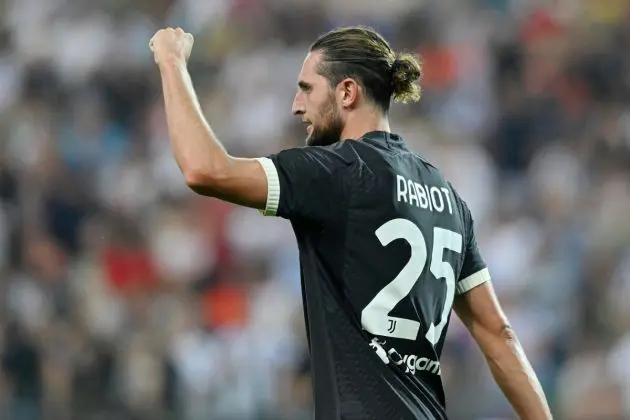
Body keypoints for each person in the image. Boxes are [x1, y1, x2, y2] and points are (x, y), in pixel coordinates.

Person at [149, 26, 552, 420]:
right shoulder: (448, 198)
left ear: (346, 92)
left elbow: (205, 170)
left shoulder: (337, 172)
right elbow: (499, 335)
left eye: (307, 88)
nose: (296, 104)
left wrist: (171, 61)